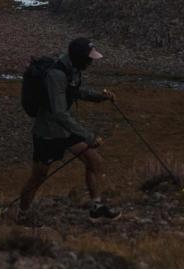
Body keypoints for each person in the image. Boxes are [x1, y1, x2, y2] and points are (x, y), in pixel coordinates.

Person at [18, 37, 120, 223]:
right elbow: (59, 114)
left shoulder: (72, 69)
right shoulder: (56, 75)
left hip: (65, 131)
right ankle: (23, 215)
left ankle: (96, 207)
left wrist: (98, 97)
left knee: (94, 161)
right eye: (89, 59)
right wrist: (88, 136)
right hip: (48, 133)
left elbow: (74, 92)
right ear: (80, 58)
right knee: (39, 177)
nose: (91, 62)